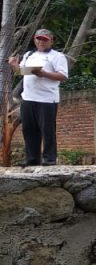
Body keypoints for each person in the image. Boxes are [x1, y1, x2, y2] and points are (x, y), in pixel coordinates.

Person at [7, 28, 69, 166]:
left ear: (51, 41)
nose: (41, 42)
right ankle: (32, 159)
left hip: (47, 99)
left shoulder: (57, 56)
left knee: (47, 130)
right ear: (34, 40)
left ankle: (49, 159)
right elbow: (21, 72)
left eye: (45, 39)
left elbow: (63, 75)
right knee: (29, 130)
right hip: (28, 98)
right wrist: (14, 65)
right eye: (39, 39)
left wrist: (44, 74)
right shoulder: (29, 55)